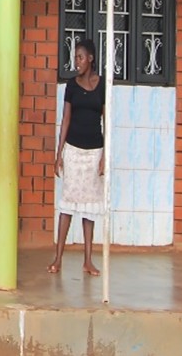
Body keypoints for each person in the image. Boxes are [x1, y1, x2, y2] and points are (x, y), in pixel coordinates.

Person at [48, 39, 104, 276]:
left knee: (89, 210)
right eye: (75, 58)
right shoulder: (71, 85)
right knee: (67, 206)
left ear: (90, 58)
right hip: (72, 151)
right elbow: (66, 120)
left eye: (80, 57)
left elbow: (106, 120)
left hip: (94, 153)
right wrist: (59, 154)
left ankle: (88, 260)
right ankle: (58, 258)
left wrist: (104, 156)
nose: (76, 62)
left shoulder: (102, 85)